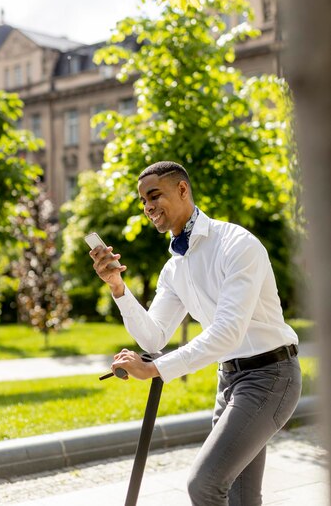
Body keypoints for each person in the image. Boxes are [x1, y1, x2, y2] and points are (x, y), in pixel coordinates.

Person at [89, 160, 302, 506]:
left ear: (183, 190)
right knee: (241, 497)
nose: (148, 207)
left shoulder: (236, 244)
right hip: (231, 380)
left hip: (271, 375)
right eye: (143, 201)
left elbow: (227, 332)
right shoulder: (175, 268)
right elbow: (153, 337)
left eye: (154, 196)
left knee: (204, 484)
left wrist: (156, 369)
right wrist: (117, 287)